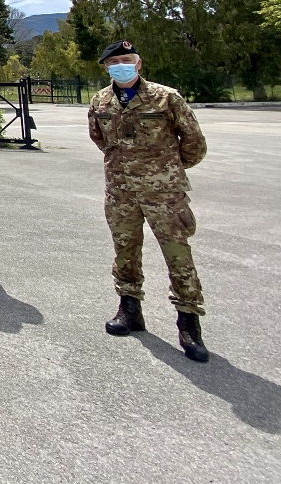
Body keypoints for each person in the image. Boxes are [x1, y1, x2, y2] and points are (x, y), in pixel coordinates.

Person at [88, 40, 210, 362]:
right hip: (120, 192)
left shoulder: (166, 97)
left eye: (126, 60)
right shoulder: (100, 100)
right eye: (113, 63)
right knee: (125, 251)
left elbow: (194, 142)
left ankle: (188, 323)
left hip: (163, 193)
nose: (120, 67)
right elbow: (100, 139)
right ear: (106, 68)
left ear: (138, 64)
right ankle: (130, 310)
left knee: (177, 255)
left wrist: (166, 169)